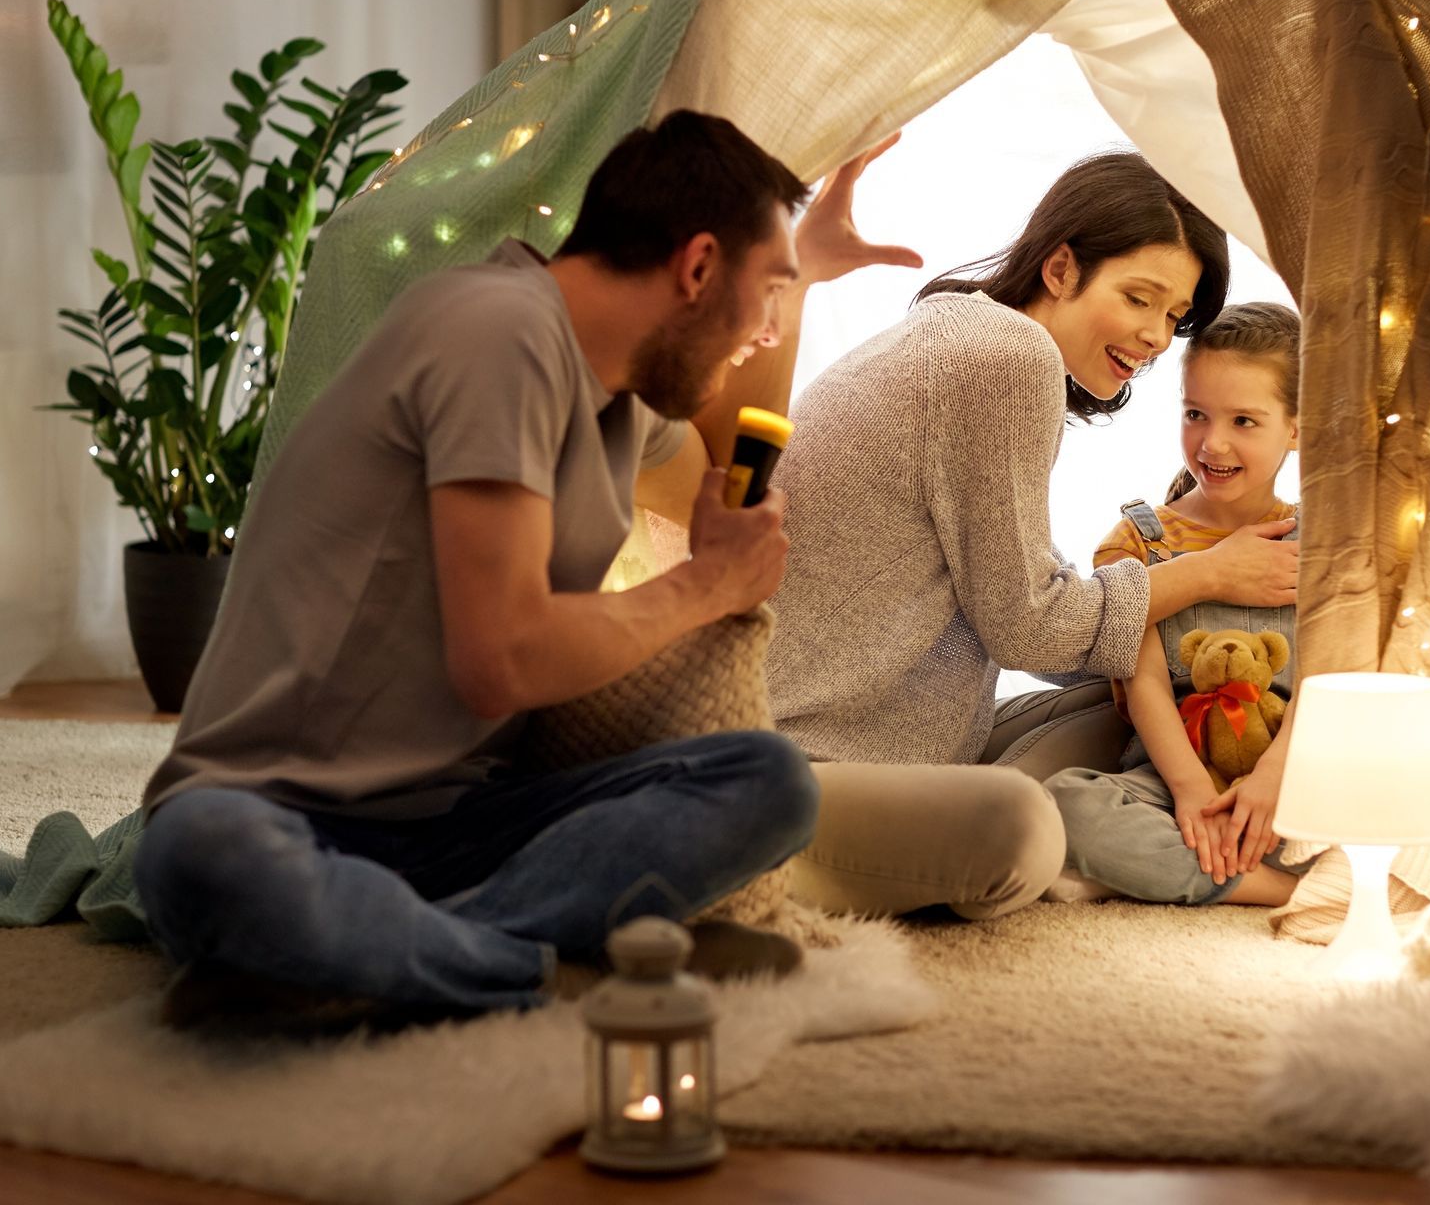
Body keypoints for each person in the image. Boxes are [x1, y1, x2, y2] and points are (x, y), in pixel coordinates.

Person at [133, 111, 915, 1027]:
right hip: (274, 813)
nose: (768, 328)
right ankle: (543, 969)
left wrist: (799, 271)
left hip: (461, 828)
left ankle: (376, 962)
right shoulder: (496, 331)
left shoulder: (618, 395)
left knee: (767, 782)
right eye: (765, 293)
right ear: (698, 267)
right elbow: (498, 659)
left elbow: (718, 449)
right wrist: (704, 587)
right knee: (207, 857)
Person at [755, 151, 1301, 920]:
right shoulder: (1004, 359)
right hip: (803, 758)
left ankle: (1155, 837)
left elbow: (1028, 600)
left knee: (1117, 699)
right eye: (1139, 298)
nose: (1154, 336)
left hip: (895, 729)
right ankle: (1224, 872)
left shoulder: (968, 331)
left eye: (1173, 318)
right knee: (1023, 835)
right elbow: (1028, 626)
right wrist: (1209, 574)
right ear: (1060, 268)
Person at [1046, 302, 1316, 906]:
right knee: (1068, 805)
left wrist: (1272, 778)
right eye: (1196, 414)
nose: (1212, 442)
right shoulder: (1137, 542)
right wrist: (1193, 791)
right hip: (1173, 779)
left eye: (1244, 420)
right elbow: (1142, 688)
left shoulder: (1325, 542)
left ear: (1296, 428)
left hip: (1294, 773)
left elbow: (1327, 674)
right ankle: (1271, 888)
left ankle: (1162, 870)